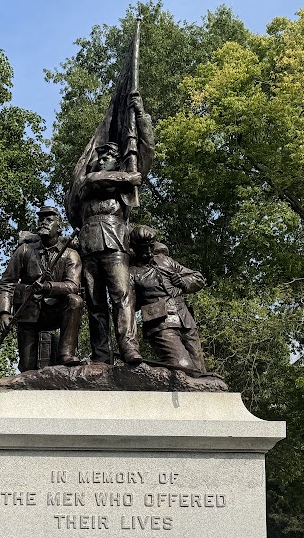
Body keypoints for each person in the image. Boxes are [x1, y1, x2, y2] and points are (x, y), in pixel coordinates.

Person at [77, 93, 154, 365]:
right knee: (95, 304)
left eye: (109, 156)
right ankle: (100, 354)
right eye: (101, 156)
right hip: (89, 246)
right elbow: (91, 180)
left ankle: (129, 348)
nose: (102, 159)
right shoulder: (89, 182)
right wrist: (126, 177)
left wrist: (141, 116)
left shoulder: (124, 188)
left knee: (122, 297)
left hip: (115, 243)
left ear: (117, 160)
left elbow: (147, 151)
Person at [0, 207, 82, 372]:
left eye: (49, 220)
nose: (43, 222)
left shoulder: (70, 254)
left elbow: (73, 285)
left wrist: (48, 287)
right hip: (28, 311)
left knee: (75, 301)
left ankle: (66, 354)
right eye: (41, 219)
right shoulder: (24, 251)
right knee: (27, 368)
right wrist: (4, 312)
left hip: (56, 310)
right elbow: (8, 282)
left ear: (60, 227)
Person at [129, 225, 207, 373]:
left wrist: (183, 283)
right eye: (142, 249)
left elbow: (198, 278)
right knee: (184, 367)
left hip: (185, 320)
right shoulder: (131, 273)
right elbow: (128, 306)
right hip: (160, 325)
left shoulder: (165, 261)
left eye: (150, 247)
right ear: (134, 248)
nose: (147, 252)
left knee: (200, 371)